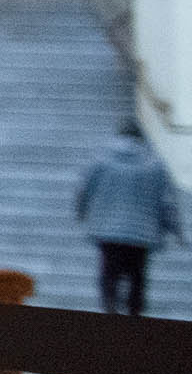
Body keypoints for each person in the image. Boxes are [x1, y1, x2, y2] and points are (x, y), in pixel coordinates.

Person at [76, 120, 183, 316]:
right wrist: (177, 231)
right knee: (137, 277)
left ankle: (110, 309)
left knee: (110, 273)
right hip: (141, 233)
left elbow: (84, 190)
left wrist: (82, 213)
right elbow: (167, 203)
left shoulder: (102, 161)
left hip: (108, 230)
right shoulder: (155, 166)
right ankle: (134, 316)